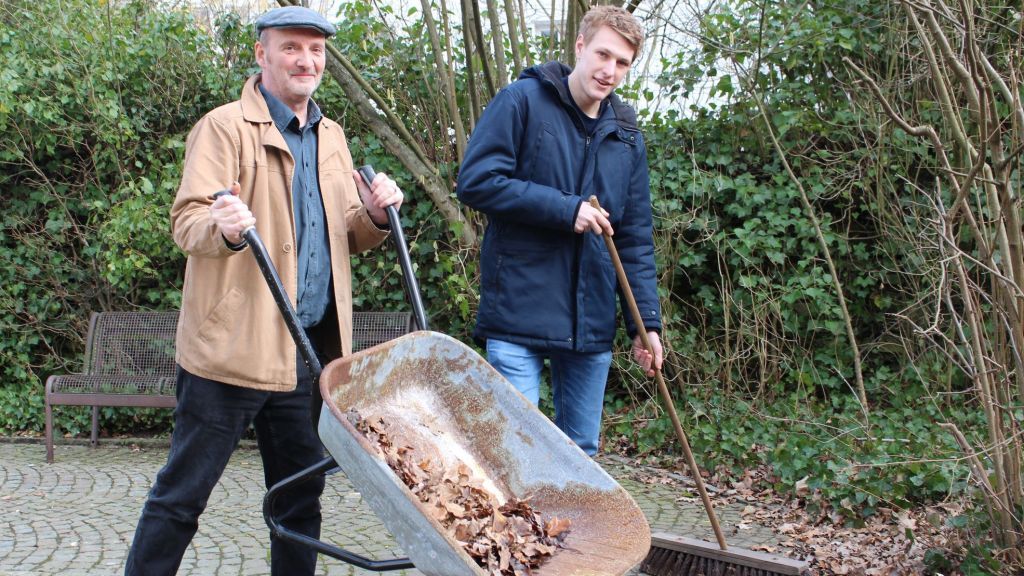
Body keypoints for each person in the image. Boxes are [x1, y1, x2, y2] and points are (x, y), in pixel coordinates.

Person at [124, 6, 404, 576]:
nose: (306, 60)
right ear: (262, 54)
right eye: (291, 48)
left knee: (300, 503)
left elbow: (348, 231)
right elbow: (188, 222)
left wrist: (373, 215)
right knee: (182, 498)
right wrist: (223, 228)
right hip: (231, 352)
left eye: (316, 50)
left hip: (309, 354)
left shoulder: (332, 137)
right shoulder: (224, 127)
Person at [456, 5, 663, 457]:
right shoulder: (522, 101)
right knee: (516, 455)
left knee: (580, 457)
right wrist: (565, 209)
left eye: (622, 63)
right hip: (517, 313)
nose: (609, 72)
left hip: (590, 326)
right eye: (603, 55)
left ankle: (567, 532)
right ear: (580, 46)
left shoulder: (626, 137)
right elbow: (476, 182)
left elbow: (634, 240)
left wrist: (644, 324)